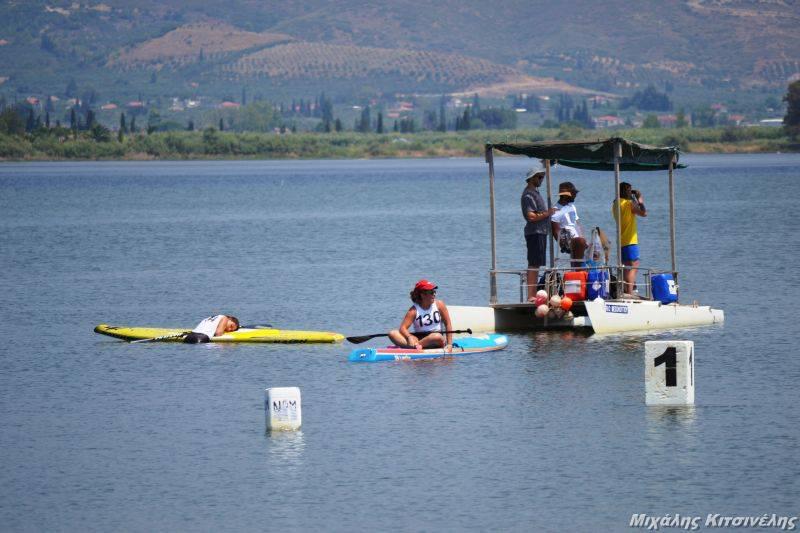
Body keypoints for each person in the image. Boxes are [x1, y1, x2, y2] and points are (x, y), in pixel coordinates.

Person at [521, 165, 557, 301]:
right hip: (534, 232)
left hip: (541, 232)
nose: (541, 179)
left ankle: (533, 293)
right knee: (533, 263)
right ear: (531, 178)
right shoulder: (528, 195)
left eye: (542, 177)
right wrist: (548, 213)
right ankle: (531, 295)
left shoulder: (535, 193)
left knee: (536, 263)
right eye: (539, 177)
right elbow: (530, 216)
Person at [388, 279, 453, 352]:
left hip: (436, 339)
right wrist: (409, 337)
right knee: (392, 333)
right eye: (431, 292)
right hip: (420, 338)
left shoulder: (440, 305)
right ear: (422, 295)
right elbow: (403, 328)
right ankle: (416, 346)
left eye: (434, 292)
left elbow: (448, 324)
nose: (434, 294)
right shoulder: (413, 310)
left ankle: (414, 346)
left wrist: (450, 344)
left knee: (436, 336)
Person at [612, 182, 647, 296]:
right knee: (634, 266)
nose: (630, 193)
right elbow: (644, 213)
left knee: (626, 267)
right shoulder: (629, 204)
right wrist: (639, 199)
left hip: (621, 240)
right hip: (630, 240)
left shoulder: (615, 203)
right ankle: (630, 292)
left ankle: (625, 291)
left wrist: (632, 198)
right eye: (629, 190)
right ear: (624, 192)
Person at [550, 181, 587, 268]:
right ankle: (578, 271)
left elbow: (577, 224)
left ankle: (578, 272)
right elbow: (555, 230)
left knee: (590, 243)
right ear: (566, 195)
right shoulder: (556, 210)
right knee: (580, 242)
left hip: (576, 236)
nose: (575, 195)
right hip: (567, 238)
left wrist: (583, 237)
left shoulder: (572, 206)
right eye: (573, 193)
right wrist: (562, 244)